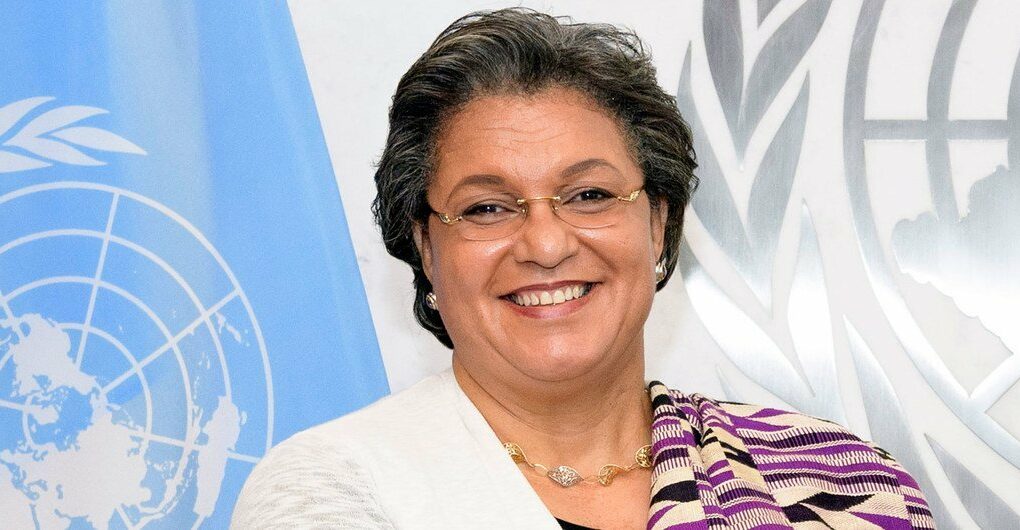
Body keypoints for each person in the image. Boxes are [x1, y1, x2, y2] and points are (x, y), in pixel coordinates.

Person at [232, 8, 933, 529]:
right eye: (485, 208)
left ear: (657, 223)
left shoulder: (842, 484)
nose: (545, 244)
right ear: (425, 247)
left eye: (590, 195)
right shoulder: (339, 489)